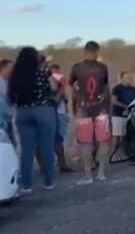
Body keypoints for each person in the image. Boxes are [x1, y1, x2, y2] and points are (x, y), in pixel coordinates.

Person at [8, 47, 58, 193]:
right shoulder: (43, 71)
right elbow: (54, 86)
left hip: (23, 111)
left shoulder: (16, 74)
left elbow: (12, 95)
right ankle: (48, 181)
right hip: (43, 110)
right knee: (47, 147)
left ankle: (26, 184)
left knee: (27, 150)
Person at [69, 41, 112, 184]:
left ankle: (88, 175)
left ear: (85, 51)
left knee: (85, 142)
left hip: (83, 108)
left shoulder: (77, 68)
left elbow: (72, 87)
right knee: (103, 141)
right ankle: (101, 173)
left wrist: (76, 104)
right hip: (101, 109)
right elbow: (106, 88)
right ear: (97, 51)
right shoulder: (103, 67)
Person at [111, 71, 135, 159]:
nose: (128, 79)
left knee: (124, 136)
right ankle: (113, 154)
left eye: (130, 77)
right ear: (122, 78)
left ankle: (123, 153)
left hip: (129, 115)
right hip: (118, 114)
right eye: (126, 77)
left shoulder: (132, 89)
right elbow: (114, 101)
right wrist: (125, 107)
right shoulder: (117, 88)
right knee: (116, 136)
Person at [0, 59, 15, 145]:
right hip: (2, 120)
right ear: (3, 68)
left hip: (8, 118)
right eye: (10, 67)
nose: (12, 70)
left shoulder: (9, 82)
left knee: (12, 144)